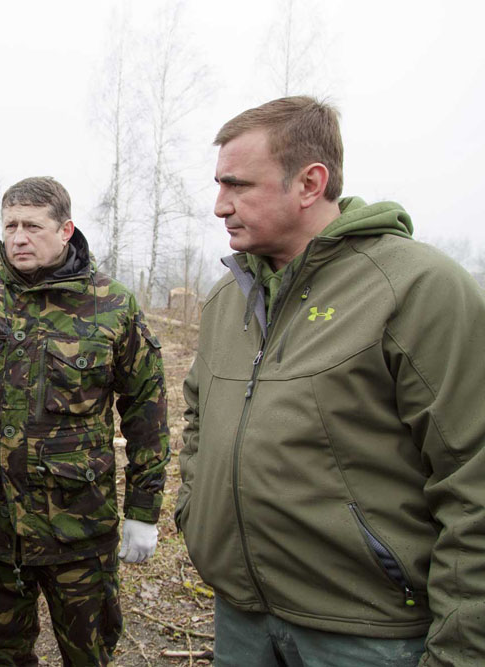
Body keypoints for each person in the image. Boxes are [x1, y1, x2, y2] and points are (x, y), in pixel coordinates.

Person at [177, 96, 485, 667]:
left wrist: (462, 651)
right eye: (219, 186)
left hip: (367, 633)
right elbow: (199, 414)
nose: (220, 206)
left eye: (238, 185)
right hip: (241, 617)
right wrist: (194, 511)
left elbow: (474, 480)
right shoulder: (227, 298)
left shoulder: (415, 288)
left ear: (310, 183)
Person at [0, 176, 170, 665]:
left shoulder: (112, 305)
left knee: (90, 654)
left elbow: (146, 411)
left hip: (78, 525)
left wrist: (144, 510)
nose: (18, 237)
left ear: (65, 230)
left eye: (33, 225)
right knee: (4, 654)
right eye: (10, 225)